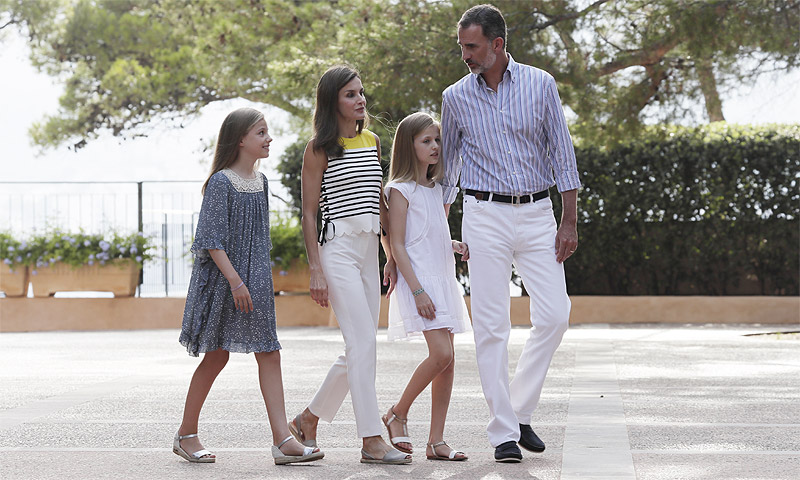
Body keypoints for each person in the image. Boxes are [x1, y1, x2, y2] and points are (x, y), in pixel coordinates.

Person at [440, 4, 581, 463]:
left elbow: (561, 151)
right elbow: (448, 170)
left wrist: (568, 218)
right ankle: (503, 430)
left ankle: (518, 409)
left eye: (472, 46)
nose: (465, 54)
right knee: (492, 325)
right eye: (462, 45)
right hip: (483, 215)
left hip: (539, 213)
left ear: (498, 44)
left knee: (556, 314)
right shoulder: (455, 96)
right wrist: (440, 228)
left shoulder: (541, 84)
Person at [175, 107, 324, 466]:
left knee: (269, 352)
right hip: (226, 283)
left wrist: (256, 284)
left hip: (254, 284)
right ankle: (186, 435)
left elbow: (259, 241)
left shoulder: (262, 182)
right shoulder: (221, 182)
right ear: (241, 139)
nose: (268, 138)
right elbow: (211, 240)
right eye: (261, 132)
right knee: (216, 356)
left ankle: (282, 439)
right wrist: (236, 282)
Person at [288, 65, 411, 465]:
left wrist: (391, 253)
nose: (360, 99)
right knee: (361, 343)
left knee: (362, 345)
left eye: (361, 92)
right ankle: (371, 439)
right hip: (337, 250)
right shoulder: (318, 148)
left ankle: (308, 419)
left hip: (369, 252)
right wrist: (316, 269)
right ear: (332, 102)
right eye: (350, 94)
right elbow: (309, 214)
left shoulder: (373, 140)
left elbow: (380, 201)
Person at [381, 112, 472, 461]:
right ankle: (397, 413)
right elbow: (400, 244)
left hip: (442, 276)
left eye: (436, 140)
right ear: (409, 145)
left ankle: (436, 441)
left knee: (449, 363)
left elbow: (428, 234)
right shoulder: (399, 189)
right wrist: (417, 290)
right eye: (426, 141)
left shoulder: (435, 189)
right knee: (442, 354)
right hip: (420, 282)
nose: (435, 146)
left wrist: (453, 244)